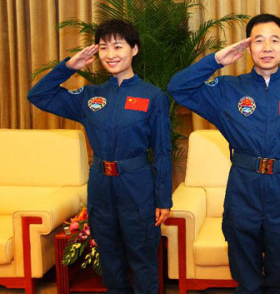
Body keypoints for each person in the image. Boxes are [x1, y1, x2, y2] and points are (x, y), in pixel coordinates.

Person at [168, 13, 280, 294]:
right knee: (245, 275)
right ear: (248, 47)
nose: (267, 47)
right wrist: (216, 61)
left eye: (274, 40)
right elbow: (178, 87)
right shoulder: (228, 89)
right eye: (259, 40)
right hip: (244, 188)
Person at [28, 19, 172, 294]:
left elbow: (163, 151)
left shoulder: (153, 96)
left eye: (118, 46)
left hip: (137, 185)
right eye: (104, 47)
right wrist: (67, 68)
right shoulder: (90, 95)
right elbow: (38, 95)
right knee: (110, 259)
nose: (110, 54)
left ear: (134, 49)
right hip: (101, 187)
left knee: (143, 260)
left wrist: (163, 199)